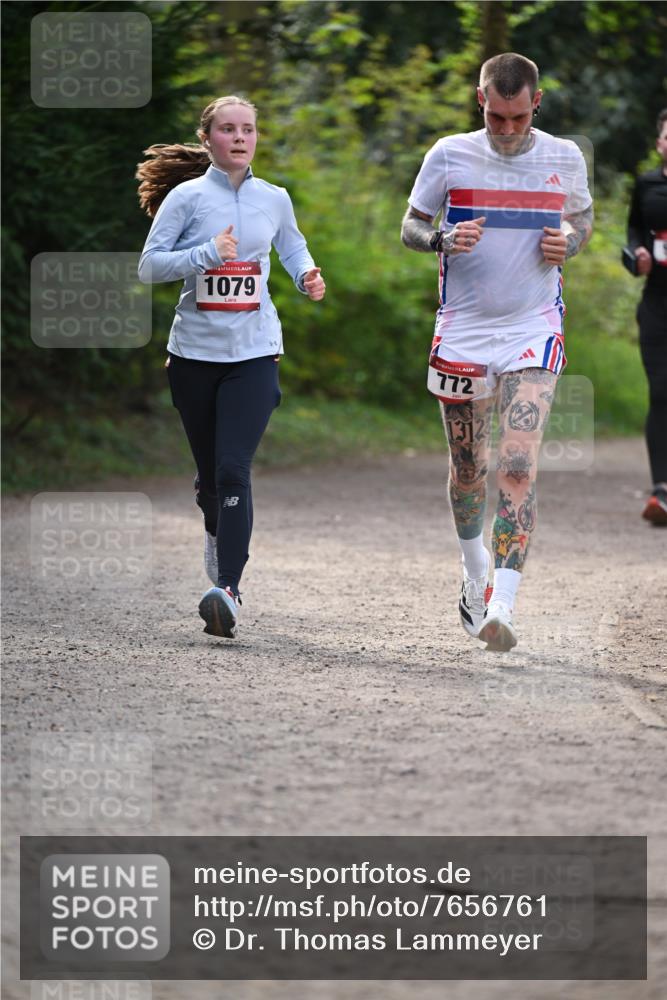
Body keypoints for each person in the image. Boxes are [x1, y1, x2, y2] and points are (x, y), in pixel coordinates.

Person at [401, 52, 592, 652]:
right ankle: (475, 573)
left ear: (536, 103)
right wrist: (441, 238)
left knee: (516, 464)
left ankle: (502, 606)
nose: (506, 130)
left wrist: (571, 243)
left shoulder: (565, 156)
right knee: (468, 470)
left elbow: (582, 222)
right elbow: (410, 225)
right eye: (496, 116)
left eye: (517, 117)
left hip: (533, 325)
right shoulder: (449, 153)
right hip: (462, 327)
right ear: (480, 100)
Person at [136, 95, 325, 639]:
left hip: (255, 352)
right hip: (194, 356)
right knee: (210, 484)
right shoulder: (186, 197)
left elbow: (293, 249)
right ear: (207, 139)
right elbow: (150, 266)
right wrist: (205, 255)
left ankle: (229, 591)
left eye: (248, 129)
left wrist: (307, 275)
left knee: (232, 468)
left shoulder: (275, 198)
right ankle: (219, 542)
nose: (240, 138)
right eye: (228, 129)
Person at [626, 108, 667, 526]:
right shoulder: (647, 185)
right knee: (661, 392)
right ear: (660, 143)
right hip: (657, 304)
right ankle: (661, 492)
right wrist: (635, 255)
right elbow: (633, 233)